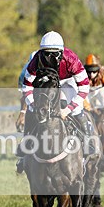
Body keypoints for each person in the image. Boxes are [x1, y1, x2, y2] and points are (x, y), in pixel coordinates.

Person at [16, 31, 95, 172]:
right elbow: (26, 85)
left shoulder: (71, 59)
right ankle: (26, 147)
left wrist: (67, 109)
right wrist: (33, 104)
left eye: (54, 54)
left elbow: (84, 87)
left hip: (67, 81)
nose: (50, 58)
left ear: (61, 52)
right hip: (47, 83)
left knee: (77, 110)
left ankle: (88, 144)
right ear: (41, 52)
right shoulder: (36, 60)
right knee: (34, 112)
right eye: (46, 53)